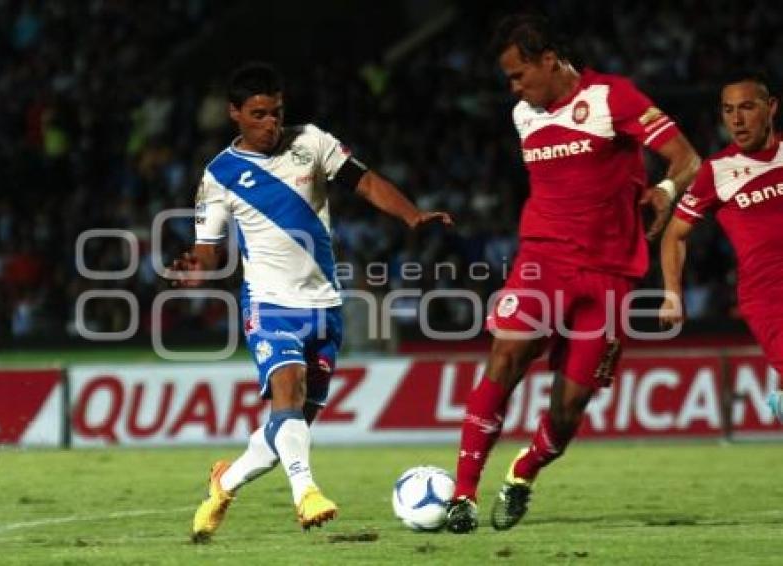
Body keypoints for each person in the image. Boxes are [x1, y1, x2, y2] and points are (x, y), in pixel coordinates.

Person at [166, 62, 452, 543]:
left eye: (276, 112)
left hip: (324, 304)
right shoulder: (219, 175)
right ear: (234, 113)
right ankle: (308, 494)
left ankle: (224, 482)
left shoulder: (312, 141)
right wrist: (196, 265)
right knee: (289, 390)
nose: (270, 124)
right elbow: (209, 249)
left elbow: (364, 180)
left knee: (289, 424)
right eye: (258, 114)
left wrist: (411, 215)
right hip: (269, 303)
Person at [446, 14, 701, 533]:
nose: (515, 88)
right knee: (505, 355)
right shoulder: (524, 115)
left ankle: (525, 470)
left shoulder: (614, 98)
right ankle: (462, 495)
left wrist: (666, 192)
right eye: (509, 80)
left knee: (569, 407)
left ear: (548, 60)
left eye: (519, 75)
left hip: (610, 273)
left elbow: (687, 159)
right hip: (543, 262)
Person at [659, 72, 783, 421]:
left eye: (746, 107)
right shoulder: (717, 171)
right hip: (769, 296)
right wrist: (672, 293)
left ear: (771, 108)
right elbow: (674, 234)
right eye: (728, 110)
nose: (737, 119)